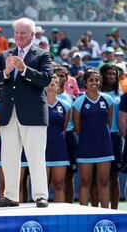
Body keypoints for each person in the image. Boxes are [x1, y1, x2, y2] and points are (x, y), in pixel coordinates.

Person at [0, 17, 53, 208]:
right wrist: (6, 72)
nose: (18, 36)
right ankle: (10, 196)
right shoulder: (4, 55)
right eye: (16, 33)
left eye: (23, 33)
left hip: (32, 114)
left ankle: (40, 195)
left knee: (36, 156)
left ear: (32, 35)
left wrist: (24, 69)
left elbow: (46, 80)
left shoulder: (43, 55)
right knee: (8, 157)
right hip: (9, 112)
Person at [72, 68, 114, 208]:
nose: (94, 83)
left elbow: (108, 122)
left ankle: (105, 213)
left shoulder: (108, 99)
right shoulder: (78, 102)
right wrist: (88, 137)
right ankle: (84, 213)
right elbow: (77, 128)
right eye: (91, 80)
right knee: (85, 182)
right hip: (86, 147)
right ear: (85, 82)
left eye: (97, 80)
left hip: (104, 146)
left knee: (103, 181)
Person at [93, 64, 121, 209]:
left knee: (114, 177)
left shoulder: (119, 97)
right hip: (97, 138)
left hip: (114, 138)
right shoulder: (94, 95)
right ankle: (93, 210)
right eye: (109, 74)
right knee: (94, 178)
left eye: (114, 74)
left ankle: (115, 210)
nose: (112, 76)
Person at [45, 74, 71, 202]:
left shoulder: (65, 105)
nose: (50, 86)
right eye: (48, 84)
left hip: (59, 149)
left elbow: (64, 128)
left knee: (59, 184)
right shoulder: (37, 105)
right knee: (42, 187)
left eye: (53, 84)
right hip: (41, 150)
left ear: (58, 87)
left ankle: (60, 215)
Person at [55, 66, 78, 203]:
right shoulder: (44, 95)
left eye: (63, 75)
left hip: (68, 138)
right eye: (57, 75)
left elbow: (75, 121)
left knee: (69, 177)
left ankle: (69, 206)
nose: (59, 78)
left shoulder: (70, 98)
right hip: (51, 138)